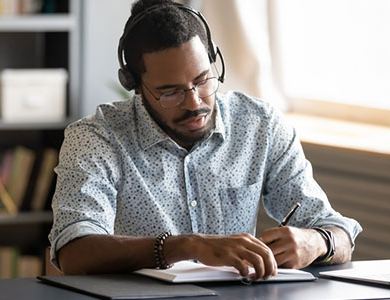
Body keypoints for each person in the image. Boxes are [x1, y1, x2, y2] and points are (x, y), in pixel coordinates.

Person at [48, 0, 361, 280]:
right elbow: (74, 252)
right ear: (135, 85)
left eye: (202, 80)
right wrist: (185, 245)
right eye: (170, 92)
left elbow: (339, 233)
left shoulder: (259, 124)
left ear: (216, 63)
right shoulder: (96, 137)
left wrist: (318, 241)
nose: (194, 102)